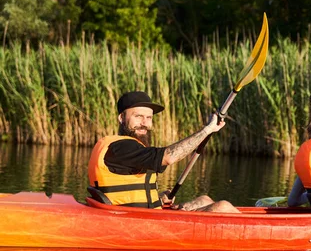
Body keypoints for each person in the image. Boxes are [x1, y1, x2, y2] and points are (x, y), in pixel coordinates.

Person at [88, 91, 238, 212]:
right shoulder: (121, 147)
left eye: (148, 117)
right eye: (138, 116)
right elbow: (168, 157)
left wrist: (158, 199)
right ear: (121, 118)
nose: (144, 123)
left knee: (204, 199)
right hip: (134, 222)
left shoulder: (132, 148)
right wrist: (206, 130)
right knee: (222, 207)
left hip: (143, 216)